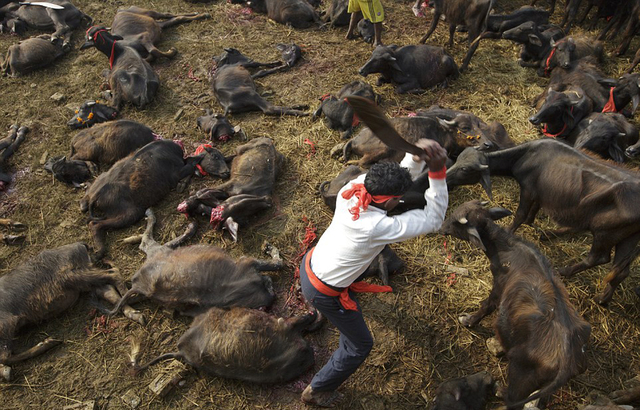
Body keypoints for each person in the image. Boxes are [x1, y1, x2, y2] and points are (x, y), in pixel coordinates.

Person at [300, 139, 448, 407]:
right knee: (360, 345)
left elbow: (389, 181)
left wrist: (416, 159)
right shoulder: (376, 226)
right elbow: (434, 219)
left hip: (311, 263)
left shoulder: (353, 187)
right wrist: (437, 172)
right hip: (324, 291)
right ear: (392, 200)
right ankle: (317, 390)